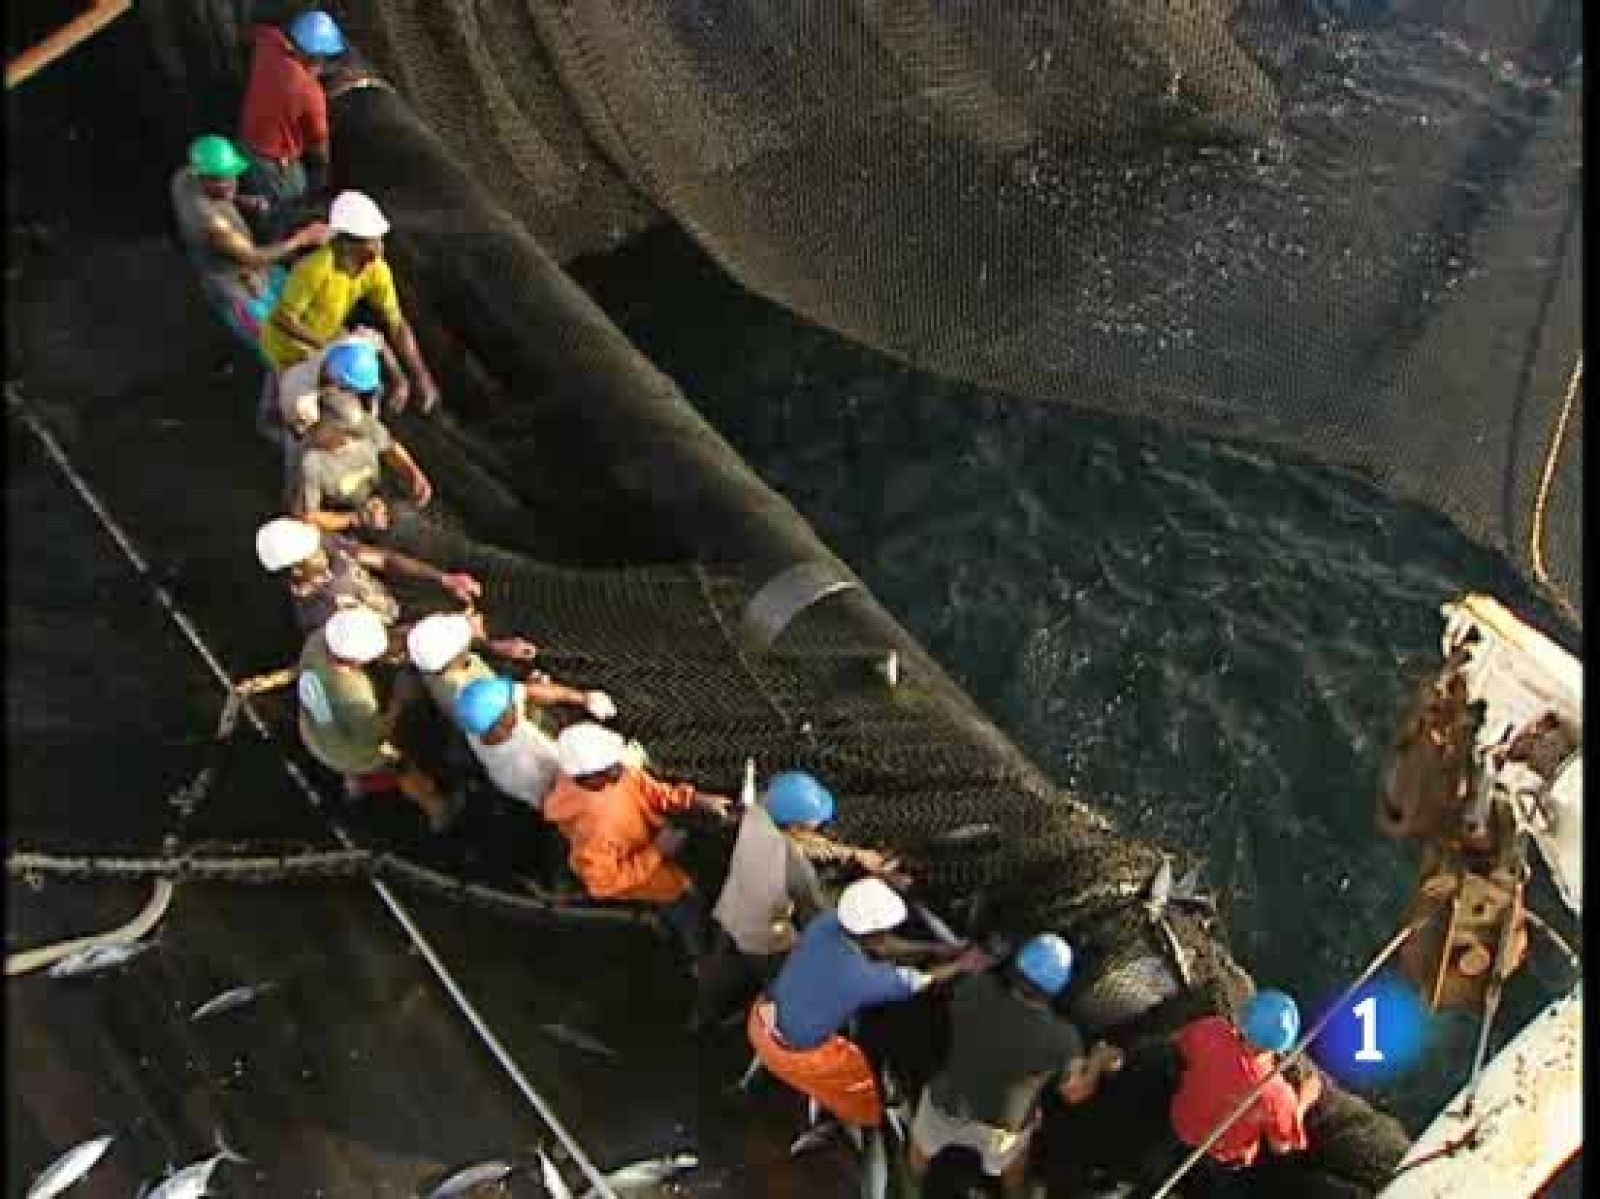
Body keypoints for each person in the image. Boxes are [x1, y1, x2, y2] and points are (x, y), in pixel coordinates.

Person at [747, 877, 992, 1129]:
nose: (887, 935)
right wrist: (962, 964)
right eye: (884, 930)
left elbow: (882, 946)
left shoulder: (825, 923)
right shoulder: (861, 978)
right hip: (791, 1054)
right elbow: (916, 980)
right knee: (859, 1095)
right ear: (871, 933)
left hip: (761, 1017)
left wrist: (934, 949)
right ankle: (857, 1124)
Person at [909, 933, 1125, 1196]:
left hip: (944, 1107)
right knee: (1014, 1170)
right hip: (1002, 1130)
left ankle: (916, 1184)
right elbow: (1074, 1092)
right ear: (1059, 986)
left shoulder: (974, 988)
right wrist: (1098, 1061)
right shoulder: (1063, 1037)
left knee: (920, 1156)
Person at [692, 771, 906, 1031]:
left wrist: (853, 854)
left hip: (730, 909)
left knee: (721, 969)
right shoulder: (795, 870)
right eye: (812, 822)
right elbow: (819, 915)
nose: (818, 825)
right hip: (765, 938)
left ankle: (701, 1017)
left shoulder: (757, 812)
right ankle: (774, 1030)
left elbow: (797, 843)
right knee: (781, 982)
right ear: (795, 826)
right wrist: (882, 886)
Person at [543, 722, 736, 960]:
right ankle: (700, 957)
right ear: (589, 777)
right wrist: (657, 852)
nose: (623, 768)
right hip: (646, 875)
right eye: (615, 766)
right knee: (684, 902)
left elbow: (648, 789)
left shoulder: (610, 773)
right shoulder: (593, 827)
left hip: (653, 838)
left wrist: (693, 799)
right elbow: (602, 884)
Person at [260, 190, 442, 413]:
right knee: (290, 409)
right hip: (287, 351)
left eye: (380, 239)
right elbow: (283, 319)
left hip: (325, 340)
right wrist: (330, 347)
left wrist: (422, 376)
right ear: (346, 243)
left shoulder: (376, 270)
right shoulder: (314, 269)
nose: (379, 248)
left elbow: (396, 323)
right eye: (372, 241)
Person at [1140, 989, 1322, 1188]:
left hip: (1178, 1127)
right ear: (1280, 1047)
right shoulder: (1277, 1093)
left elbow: (1179, 1043)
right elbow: (1281, 1146)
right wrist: (1303, 1102)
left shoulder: (1212, 1030)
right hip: (1220, 1160)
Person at [170, 134, 329, 361]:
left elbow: (220, 191)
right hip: (236, 288)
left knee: (300, 309)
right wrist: (302, 239)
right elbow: (252, 257)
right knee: (278, 350)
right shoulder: (211, 223)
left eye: (232, 177)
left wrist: (240, 200)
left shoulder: (184, 178)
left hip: (254, 273)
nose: (230, 184)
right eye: (220, 180)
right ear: (202, 176)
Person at [296, 606, 456, 831]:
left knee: (343, 745)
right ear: (356, 660)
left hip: (312, 731)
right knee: (398, 761)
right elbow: (379, 733)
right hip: (353, 748)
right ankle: (436, 806)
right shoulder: (354, 696)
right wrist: (399, 703)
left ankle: (353, 780)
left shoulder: (317, 642)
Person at [254, 516, 482, 634]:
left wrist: (443, 578)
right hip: (401, 640)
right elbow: (387, 642)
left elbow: (384, 559)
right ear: (296, 569)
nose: (321, 549)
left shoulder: (323, 543)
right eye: (312, 553)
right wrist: (455, 627)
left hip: (398, 601)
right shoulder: (320, 613)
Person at [285, 384, 433, 536]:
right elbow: (307, 516)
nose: (357, 437)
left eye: (358, 430)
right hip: (341, 514)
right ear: (325, 428)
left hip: (375, 495)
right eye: (349, 433)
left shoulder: (360, 423)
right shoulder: (311, 463)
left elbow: (390, 447)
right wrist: (355, 518)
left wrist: (413, 473)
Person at [237, 10, 344, 219]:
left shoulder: (268, 42)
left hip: (245, 140)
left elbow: (254, 33)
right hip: (274, 162)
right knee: (291, 206)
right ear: (317, 56)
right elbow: (320, 146)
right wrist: (330, 170)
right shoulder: (310, 91)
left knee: (255, 192)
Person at [405, 612, 563, 720]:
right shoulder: (467, 697)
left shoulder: (431, 660)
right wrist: (535, 703)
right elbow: (516, 727)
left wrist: (497, 646)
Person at [277, 328, 411, 444]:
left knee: (355, 418)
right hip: (308, 423)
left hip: (325, 387)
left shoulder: (354, 345)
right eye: (353, 390)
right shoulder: (301, 402)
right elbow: (300, 434)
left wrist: (399, 378)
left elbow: (378, 339)